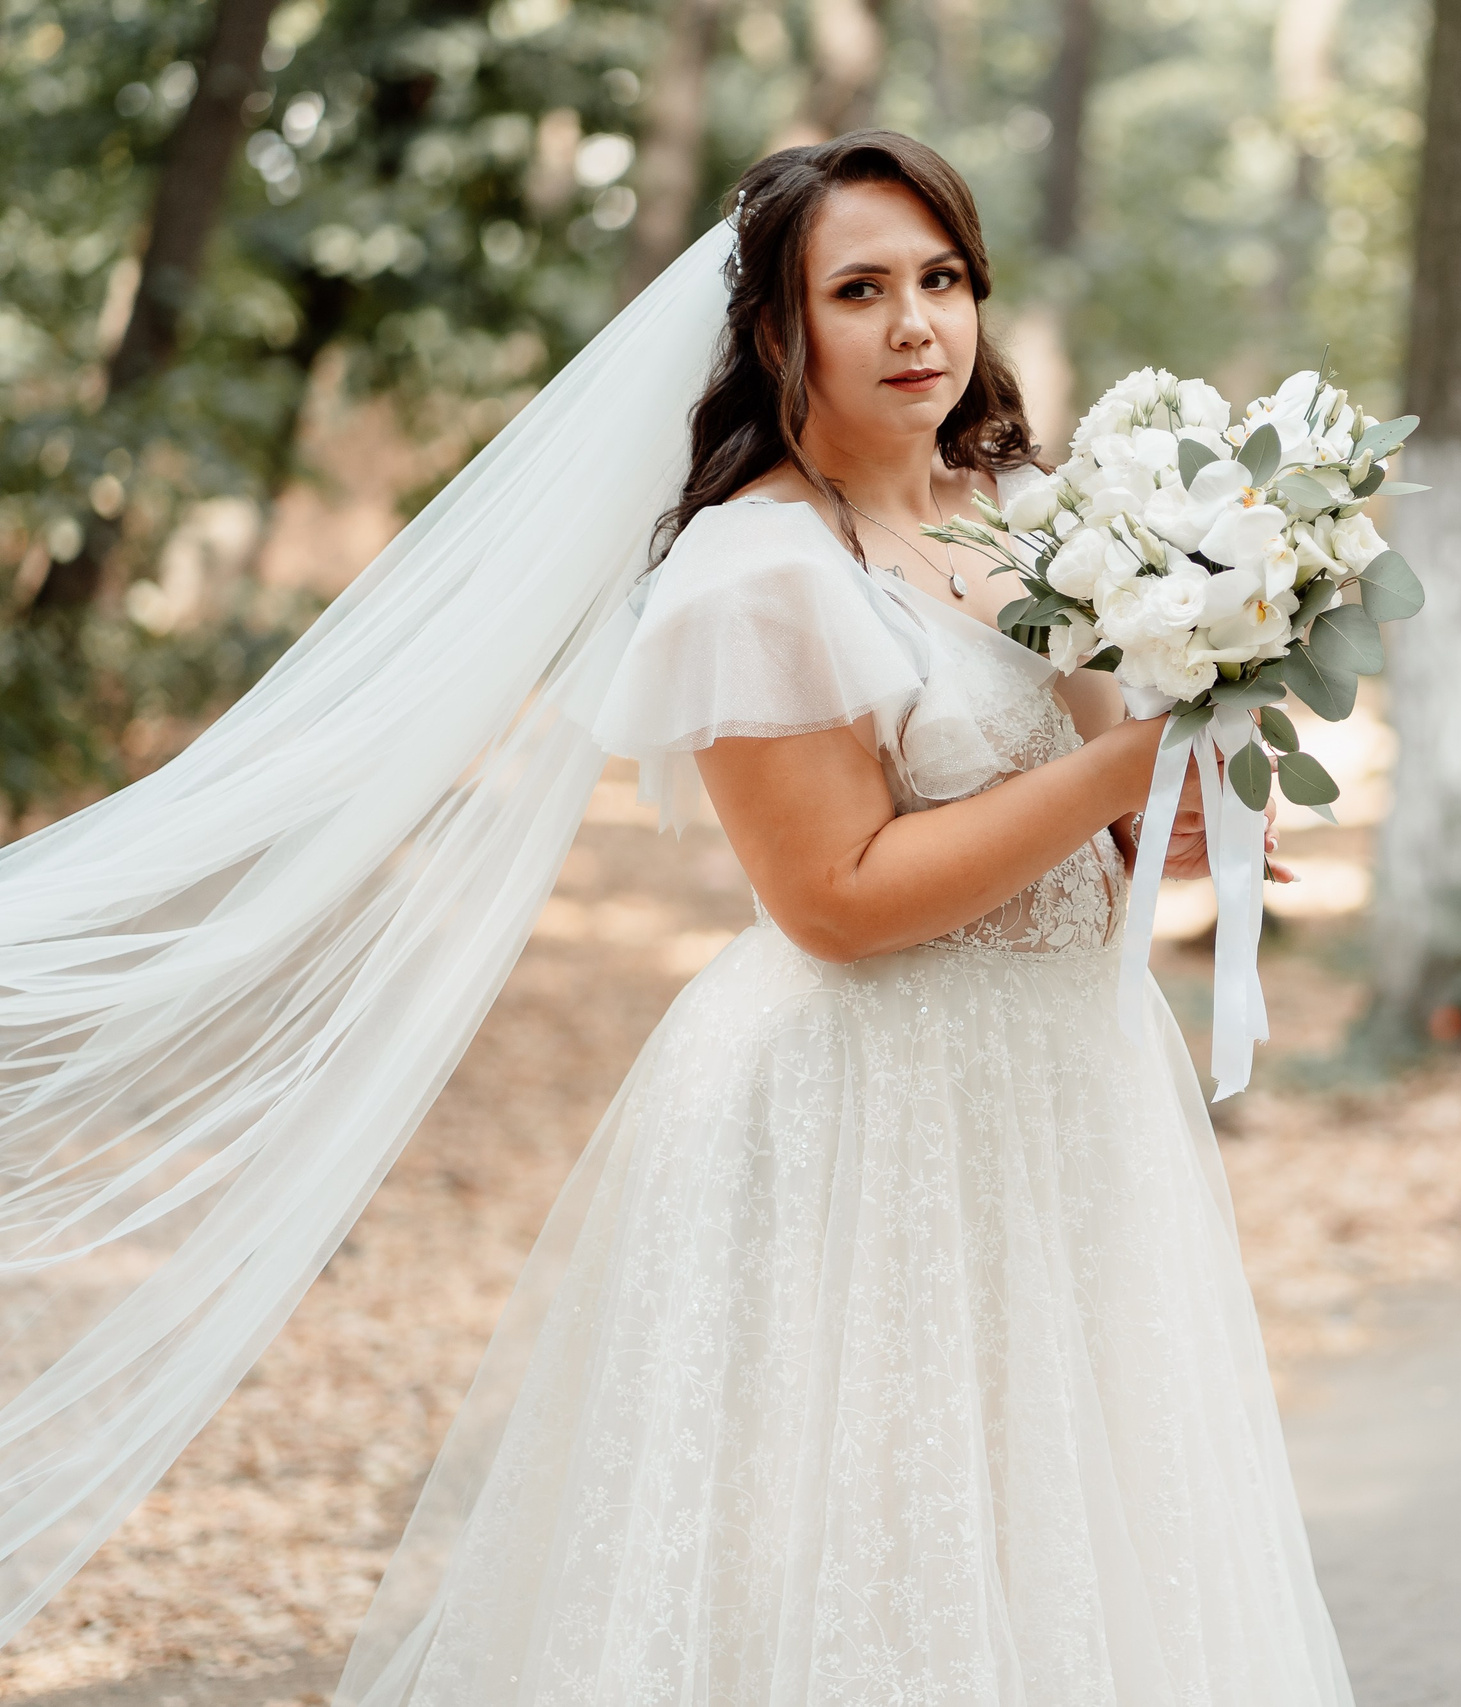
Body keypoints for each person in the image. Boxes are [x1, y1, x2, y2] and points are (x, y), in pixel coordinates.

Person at [0, 131, 1353, 1706]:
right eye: (860, 290)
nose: (918, 324)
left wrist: (1174, 816)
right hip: (868, 1112)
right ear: (777, 330)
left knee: (1071, 1530)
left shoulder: (1037, 512)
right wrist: (1124, 761)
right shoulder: (754, 569)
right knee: (872, 1558)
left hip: (1065, 1085)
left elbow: (1062, 813)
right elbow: (836, 901)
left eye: (942, 279)